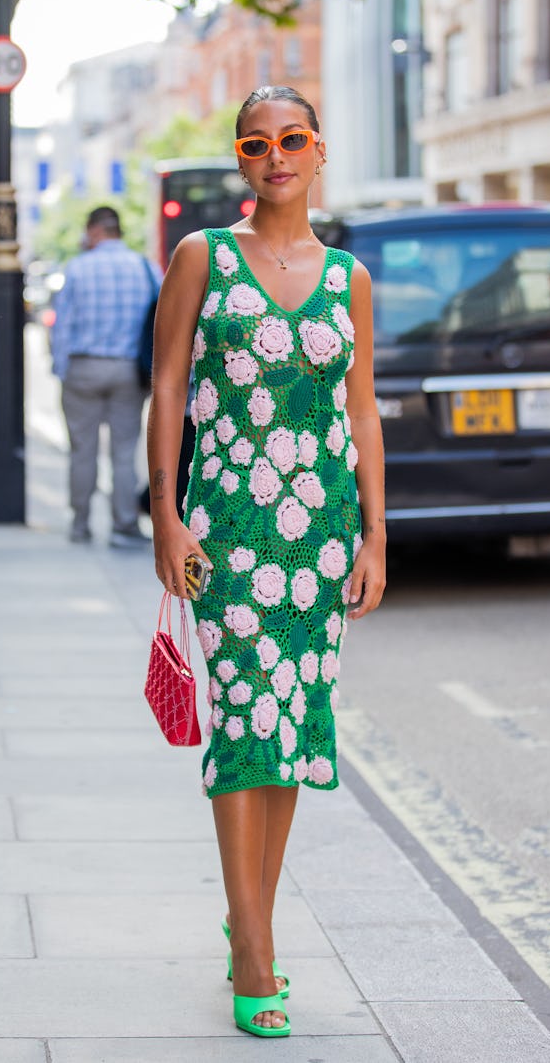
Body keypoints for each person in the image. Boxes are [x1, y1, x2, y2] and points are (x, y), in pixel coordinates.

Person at [147, 85, 387, 1038]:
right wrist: (168, 515)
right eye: (258, 142)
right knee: (246, 716)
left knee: (290, 727)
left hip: (320, 532)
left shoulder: (348, 278)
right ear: (241, 158)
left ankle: (254, 915)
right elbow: (167, 386)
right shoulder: (202, 258)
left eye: (292, 139)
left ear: (319, 149)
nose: (276, 154)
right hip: (232, 528)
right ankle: (254, 949)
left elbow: (360, 409)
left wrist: (375, 533)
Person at [51, 205, 161, 547]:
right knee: (124, 450)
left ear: (95, 230)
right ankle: (123, 524)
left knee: (82, 449)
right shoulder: (146, 268)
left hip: (84, 367)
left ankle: (80, 523)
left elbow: (62, 327)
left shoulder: (77, 268)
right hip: (128, 370)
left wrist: (62, 370)